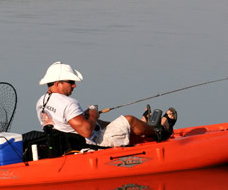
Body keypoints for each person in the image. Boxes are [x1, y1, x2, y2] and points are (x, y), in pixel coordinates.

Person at [36, 61, 175, 148]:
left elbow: (64, 123)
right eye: (70, 82)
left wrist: (89, 117)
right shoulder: (69, 102)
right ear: (57, 83)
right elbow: (86, 131)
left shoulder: (41, 101)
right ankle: (160, 132)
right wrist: (92, 115)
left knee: (101, 122)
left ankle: (142, 127)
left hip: (64, 141)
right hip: (92, 142)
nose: (74, 85)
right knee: (129, 119)